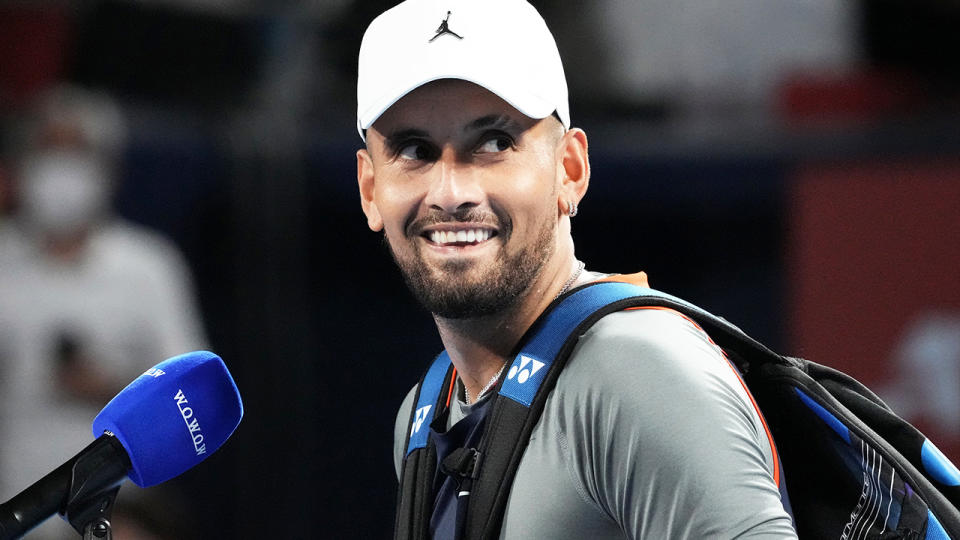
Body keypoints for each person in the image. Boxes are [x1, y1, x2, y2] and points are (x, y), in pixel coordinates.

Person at [355, 1, 797, 537]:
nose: (452, 193)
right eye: (414, 150)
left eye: (495, 143)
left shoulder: (637, 377)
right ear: (371, 189)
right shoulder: (426, 412)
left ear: (571, 169)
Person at [0, 85, 207, 539]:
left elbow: (196, 398)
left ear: (108, 169)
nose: (61, 172)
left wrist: (112, 387)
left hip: (118, 518)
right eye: (49, 152)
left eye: (76, 155)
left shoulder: (149, 266)